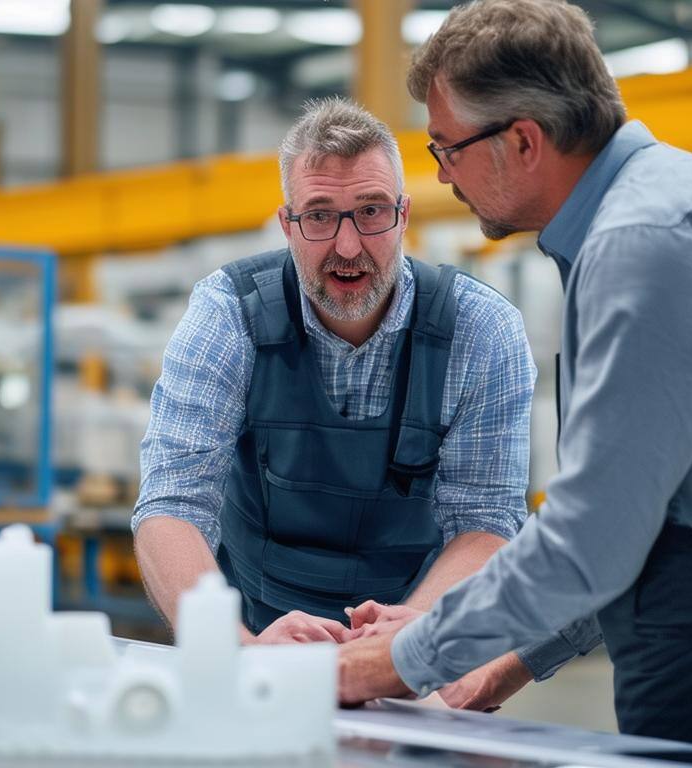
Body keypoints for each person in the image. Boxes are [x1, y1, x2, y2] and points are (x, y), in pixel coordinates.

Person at [337, 0, 692, 760]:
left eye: (447, 149)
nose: (445, 177)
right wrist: (501, 661)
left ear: (523, 140)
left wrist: (394, 660)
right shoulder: (654, 213)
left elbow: (598, 531)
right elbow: (647, 520)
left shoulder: (646, 243)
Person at [132, 97, 587, 703]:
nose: (348, 246)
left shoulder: (482, 331)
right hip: (254, 640)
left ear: (402, 215)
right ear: (287, 223)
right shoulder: (227, 315)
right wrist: (234, 647)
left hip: (418, 651)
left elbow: (484, 520)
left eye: (370, 212)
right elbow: (172, 503)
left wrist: (410, 643)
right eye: (320, 216)